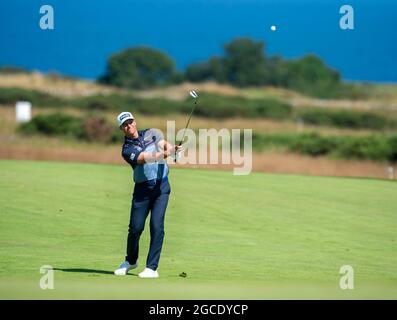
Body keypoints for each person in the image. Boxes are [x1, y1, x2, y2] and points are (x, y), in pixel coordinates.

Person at [114, 111, 180, 278]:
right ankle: (131, 261)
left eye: (130, 122)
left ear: (135, 121)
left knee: (157, 226)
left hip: (161, 188)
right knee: (135, 228)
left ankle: (152, 268)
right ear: (122, 128)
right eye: (125, 125)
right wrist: (165, 154)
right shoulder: (127, 149)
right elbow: (145, 158)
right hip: (142, 191)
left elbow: (164, 144)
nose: (129, 126)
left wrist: (173, 149)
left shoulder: (152, 133)